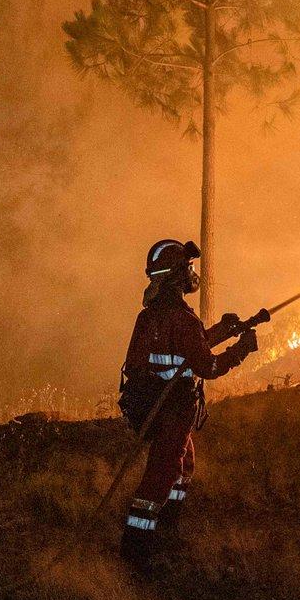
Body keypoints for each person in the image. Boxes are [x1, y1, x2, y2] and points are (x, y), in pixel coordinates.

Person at [117, 239, 263, 567]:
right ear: (177, 275)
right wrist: (240, 351)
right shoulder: (182, 320)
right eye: (189, 268)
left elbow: (183, 351)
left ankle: (168, 529)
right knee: (162, 475)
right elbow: (205, 367)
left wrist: (223, 330)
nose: (193, 274)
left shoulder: (152, 316)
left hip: (151, 407)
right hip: (171, 411)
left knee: (183, 468)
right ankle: (136, 554)